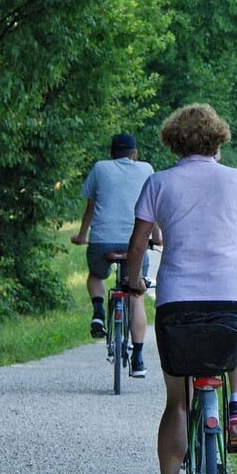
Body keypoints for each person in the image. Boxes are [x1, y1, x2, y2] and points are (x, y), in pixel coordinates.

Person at [123, 104, 237, 474]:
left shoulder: (158, 183)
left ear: (172, 142)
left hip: (178, 302)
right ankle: (236, 409)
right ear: (219, 139)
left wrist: (135, 283)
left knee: (177, 402)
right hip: (230, 292)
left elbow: (138, 247)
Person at [70, 133, 156, 377]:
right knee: (135, 293)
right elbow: (152, 209)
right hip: (135, 241)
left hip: (102, 240)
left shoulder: (100, 168)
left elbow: (91, 206)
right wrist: (157, 236)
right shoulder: (146, 169)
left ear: (111, 153)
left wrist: (81, 234)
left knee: (96, 276)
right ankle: (138, 359)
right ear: (134, 154)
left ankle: (98, 313)